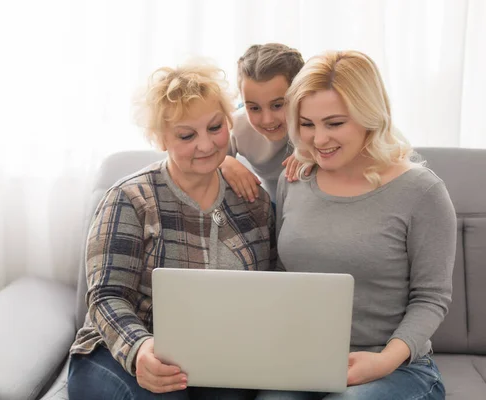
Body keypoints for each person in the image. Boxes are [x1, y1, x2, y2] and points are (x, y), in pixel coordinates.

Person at [67, 62, 276, 400]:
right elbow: (106, 297)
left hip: (214, 356)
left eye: (215, 127)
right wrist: (141, 350)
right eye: (186, 135)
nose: (206, 145)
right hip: (117, 352)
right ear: (160, 138)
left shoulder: (253, 201)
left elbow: (272, 291)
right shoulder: (130, 199)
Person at [257, 50, 457, 400]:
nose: (319, 140)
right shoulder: (294, 180)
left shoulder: (422, 191)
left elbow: (431, 298)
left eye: (334, 124)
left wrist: (382, 362)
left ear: (369, 117)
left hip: (398, 369)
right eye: (307, 124)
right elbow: (281, 273)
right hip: (306, 362)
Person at [220, 43, 308, 203]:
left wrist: (314, 151)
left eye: (277, 105)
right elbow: (205, 157)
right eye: (254, 108)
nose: (267, 120)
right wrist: (224, 162)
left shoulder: (317, 120)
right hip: (272, 205)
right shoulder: (237, 125)